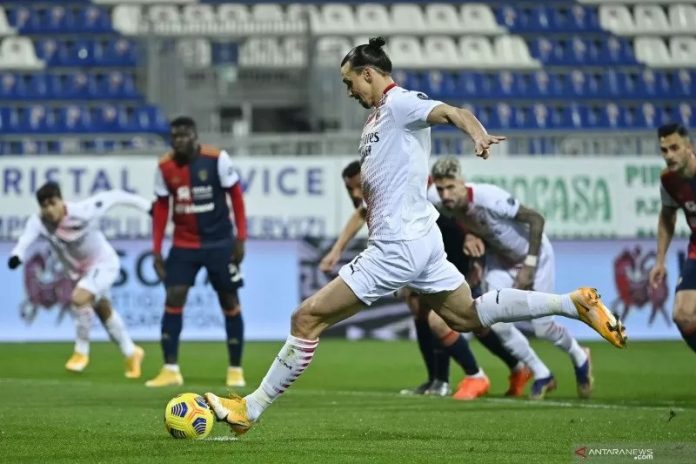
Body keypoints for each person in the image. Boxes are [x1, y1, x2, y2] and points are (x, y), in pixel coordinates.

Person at [204, 37, 626, 436]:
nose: (348, 90)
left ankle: (250, 409)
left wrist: (475, 133)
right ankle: (570, 304)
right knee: (466, 316)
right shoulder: (377, 118)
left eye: (349, 82)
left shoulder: (400, 103)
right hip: (420, 242)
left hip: (396, 247)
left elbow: (453, 112)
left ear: (369, 74)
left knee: (306, 318)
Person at [320, 161, 533, 400]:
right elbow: (360, 214)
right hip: (424, 253)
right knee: (423, 311)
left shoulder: (410, 181)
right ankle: (439, 380)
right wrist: (337, 250)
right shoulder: (379, 191)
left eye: (359, 186)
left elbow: (455, 206)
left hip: (458, 251)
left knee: (453, 319)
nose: (356, 193)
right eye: (350, 189)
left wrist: (470, 233)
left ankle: (480, 374)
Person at [431, 156, 594, 399]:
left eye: (450, 186)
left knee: (542, 327)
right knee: (496, 321)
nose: (445, 194)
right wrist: (474, 250)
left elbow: (536, 219)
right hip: (500, 260)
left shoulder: (488, 197)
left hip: (534, 255)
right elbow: (468, 228)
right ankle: (541, 373)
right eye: (440, 188)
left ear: (462, 182)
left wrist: (529, 264)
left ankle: (579, 356)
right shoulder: (439, 203)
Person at [146, 116, 248, 388]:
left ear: (195, 136)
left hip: (220, 242)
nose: (178, 141)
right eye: (174, 136)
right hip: (184, 244)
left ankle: (235, 370)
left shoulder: (217, 159)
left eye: (183, 135)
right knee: (174, 296)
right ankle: (170, 369)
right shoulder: (165, 167)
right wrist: (156, 250)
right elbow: (160, 209)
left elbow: (236, 197)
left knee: (229, 300)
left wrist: (241, 238)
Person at [7, 182, 149, 377]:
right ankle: (131, 352)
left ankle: (81, 352)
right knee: (102, 309)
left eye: (52, 203)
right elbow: (25, 239)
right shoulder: (39, 222)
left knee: (79, 298)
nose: (49, 209)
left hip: (103, 263)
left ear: (61, 200)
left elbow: (115, 196)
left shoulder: (84, 211)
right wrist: (17, 256)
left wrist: (148, 207)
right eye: (44, 205)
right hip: (78, 272)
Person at [649, 123, 696, 355]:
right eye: (664, 150)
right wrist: (660, 261)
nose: (669, 155)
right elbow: (667, 216)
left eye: (674, 148)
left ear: (689, 147)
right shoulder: (668, 180)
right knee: (683, 316)